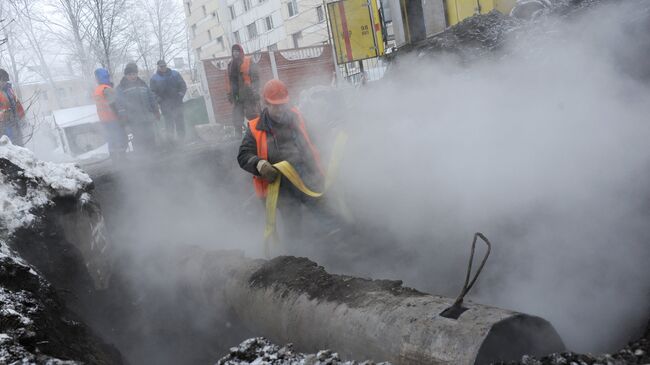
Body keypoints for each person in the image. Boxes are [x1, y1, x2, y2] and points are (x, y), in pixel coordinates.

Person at [237, 79, 330, 246]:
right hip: (280, 186)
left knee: (326, 215)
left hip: (306, 176)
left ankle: (338, 246)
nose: (280, 110)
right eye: (275, 105)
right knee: (293, 225)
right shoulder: (255, 128)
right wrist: (260, 165)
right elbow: (243, 155)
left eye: (282, 105)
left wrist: (319, 168)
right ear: (266, 103)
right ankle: (298, 257)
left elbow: (313, 141)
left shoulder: (298, 118)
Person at [115, 62, 159, 154]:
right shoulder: (121, 87)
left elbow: (151, 98)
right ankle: (142, 158)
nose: (133, 76)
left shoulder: (143, 84)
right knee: (139, 139)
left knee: (151, 136)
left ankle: (154, 155)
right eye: (130, 74)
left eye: (134, 74)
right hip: (133, 119)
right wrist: (123, 116)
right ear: (126, 75)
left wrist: (156, 110)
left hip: (147, 117)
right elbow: (120, 104)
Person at [93, 68, 127, 161]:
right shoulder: (106, 89)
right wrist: (121, 117)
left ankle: (114, 159)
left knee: (111, 139)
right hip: (112, 118)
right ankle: (122, 159)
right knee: (119, 137)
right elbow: (114, 104)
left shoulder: (97, 90)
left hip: (104, 119)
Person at [149, 60, 187, 143]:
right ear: (158, 67)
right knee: (169, 123)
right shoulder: (154, 78)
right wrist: (159, 100)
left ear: (166, 65)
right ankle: (171, 141)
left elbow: (183, 85)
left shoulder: (175, 74)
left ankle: (182, 140)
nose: (163, 68)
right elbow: (152, 92)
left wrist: (180, 95)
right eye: (161, 66)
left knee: (180, 121)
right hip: (165, 104)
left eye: (164, 66)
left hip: (177, 102)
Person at [227, 44, 260, 138]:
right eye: (233, 51)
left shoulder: (248, 61)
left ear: (241, 52)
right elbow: (229, 81)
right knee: (237, 117)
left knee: (252, 115)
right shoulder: (230, 65)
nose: (235, 53)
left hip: (248, 94)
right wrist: (229, 94)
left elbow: (256, 78)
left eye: (237, 51)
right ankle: (238, 139)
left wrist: (255, 91)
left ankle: (257, 134)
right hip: (237, 96)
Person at [0, 69, 26, 146]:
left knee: (19, 144)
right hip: (3, 126)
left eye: (5, 80)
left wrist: (22, 117)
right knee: (9, 146)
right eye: (2, 80)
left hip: (15, 123)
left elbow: (17, 104)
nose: (4, 83)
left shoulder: (9, 90)